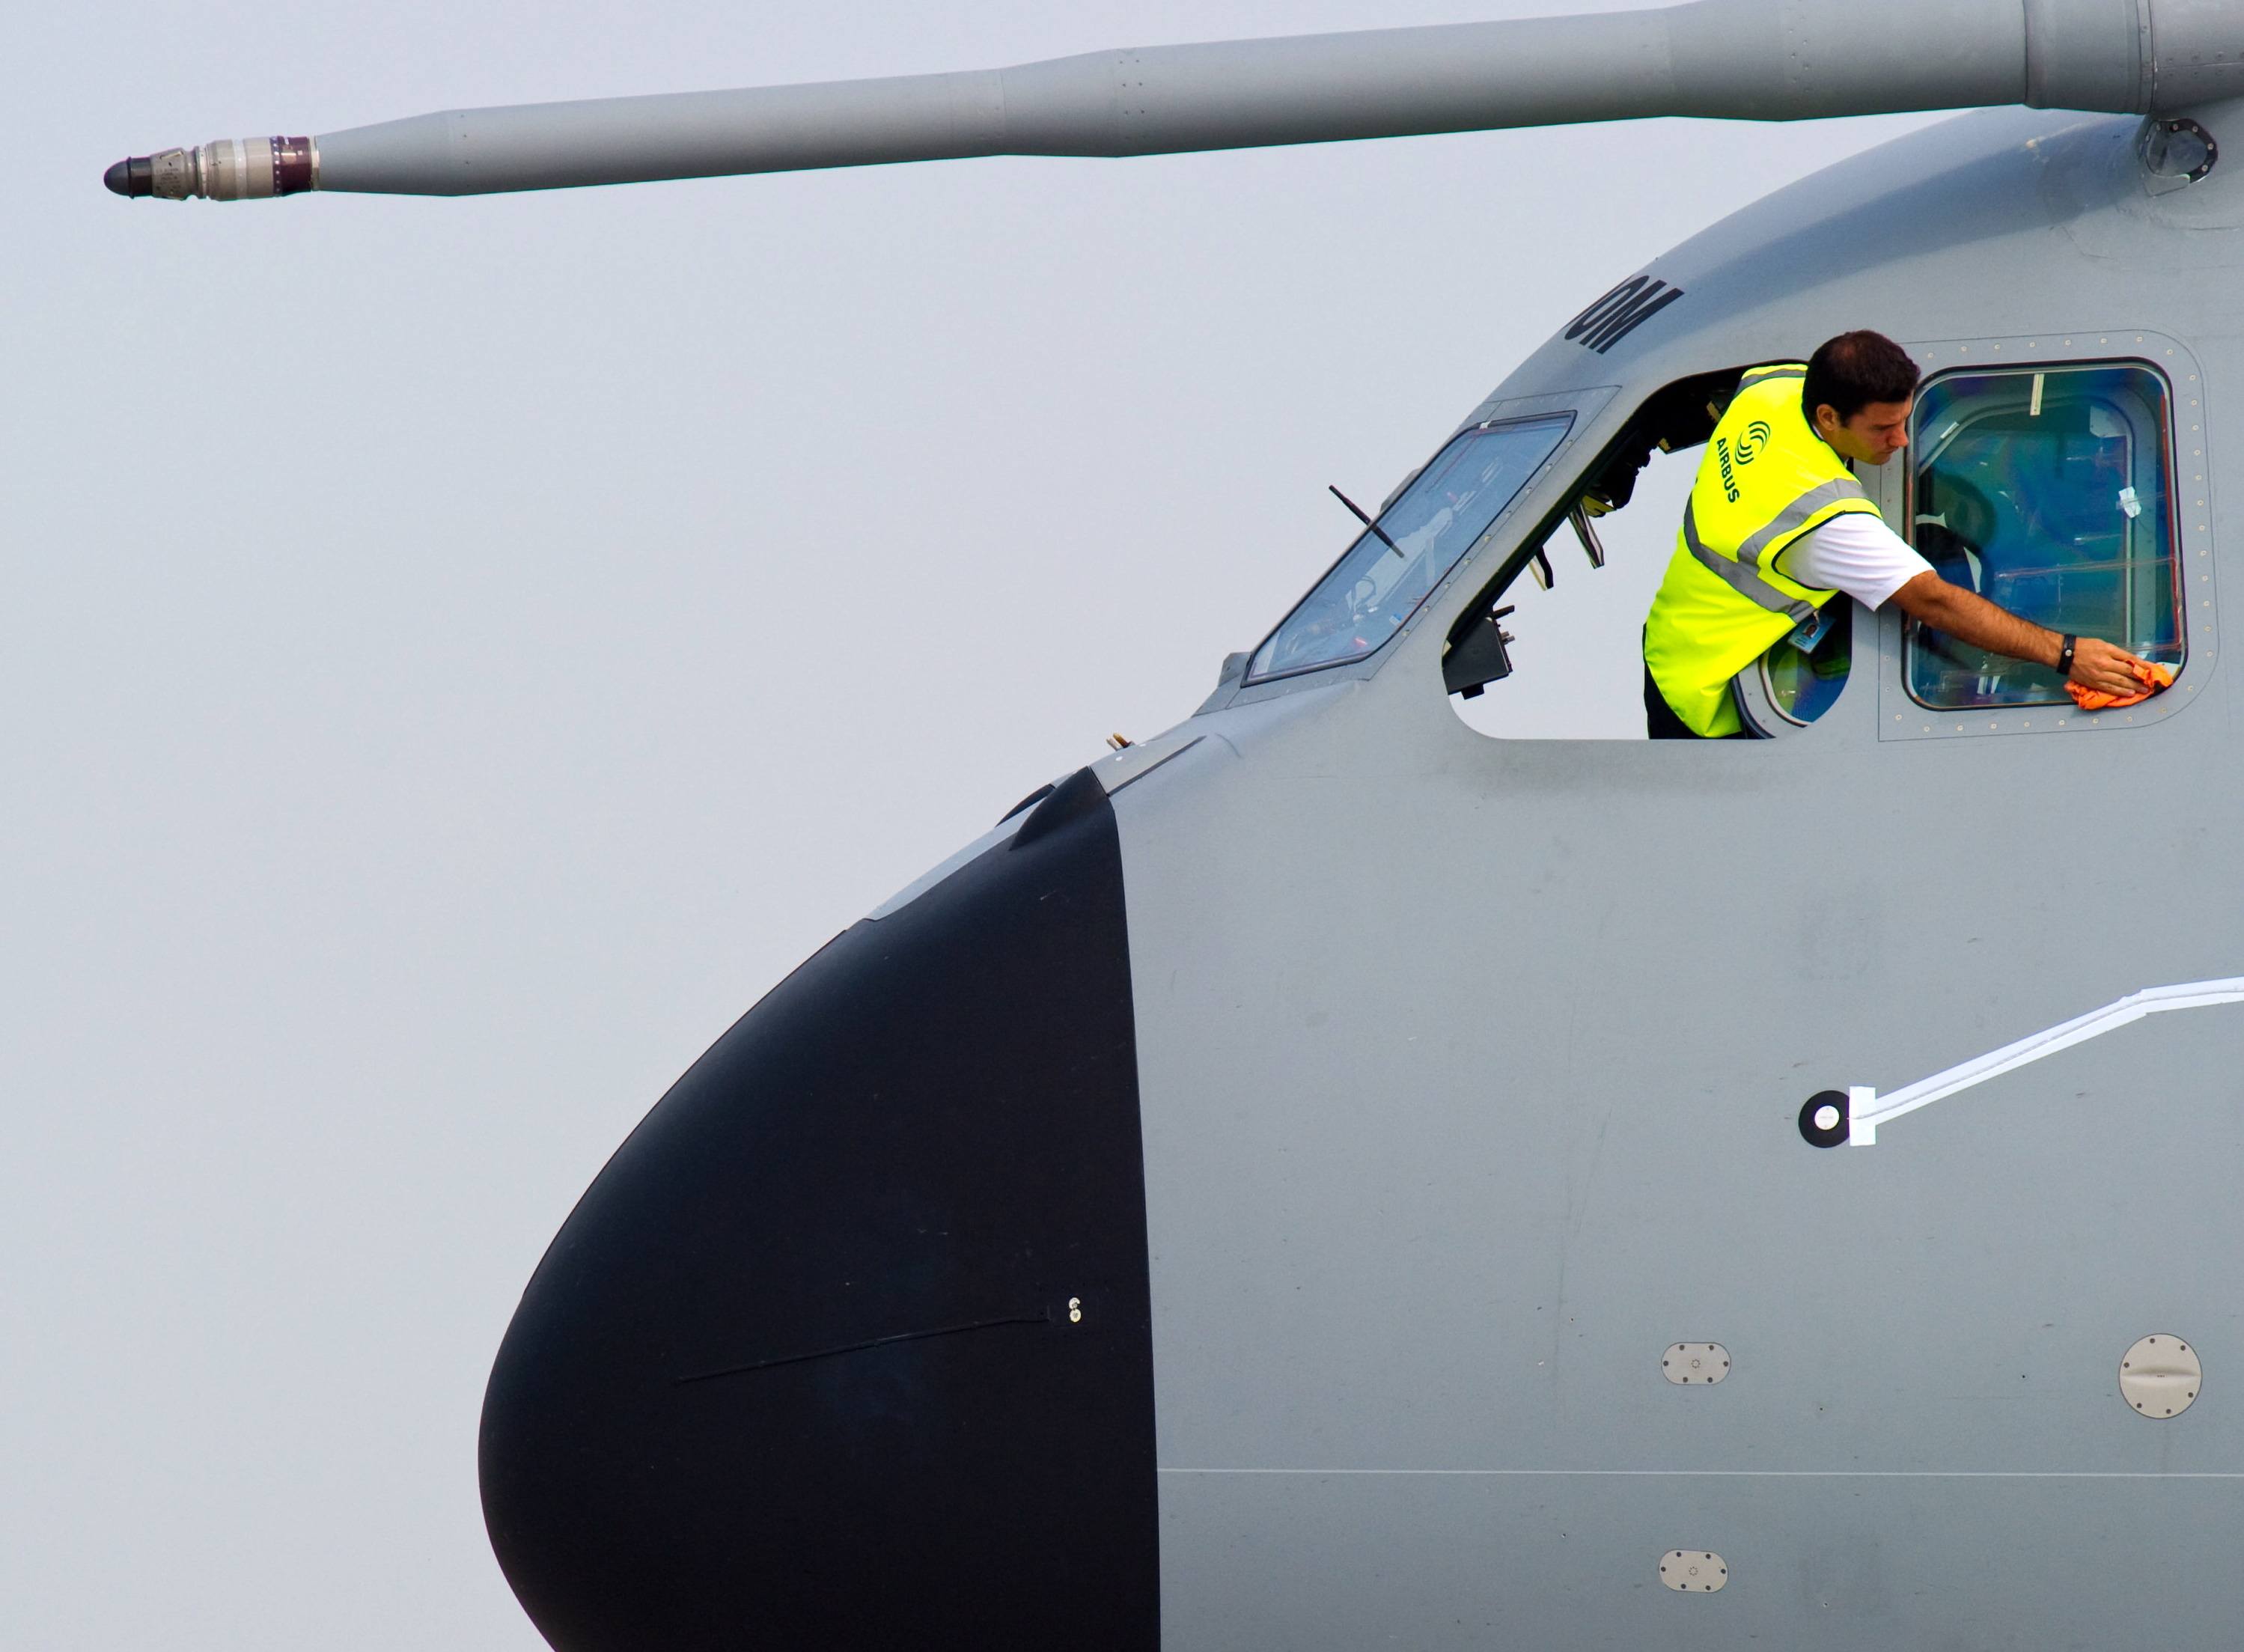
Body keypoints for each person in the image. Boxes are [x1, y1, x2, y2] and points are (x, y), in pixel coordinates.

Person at [1641, 330, 2148, 738]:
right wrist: (2067, 653)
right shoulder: (1822, 519)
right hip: (1705, 689)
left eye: (1905, 421)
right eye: (1882, 429)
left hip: (1675, 630)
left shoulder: (1771, 387)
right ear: (1828, 417)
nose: (1901, 440)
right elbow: (1935, 601)